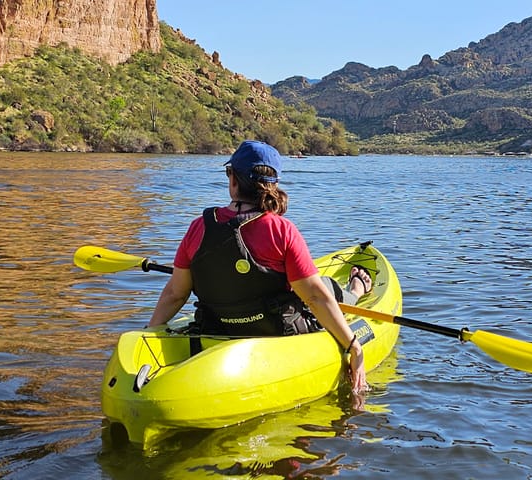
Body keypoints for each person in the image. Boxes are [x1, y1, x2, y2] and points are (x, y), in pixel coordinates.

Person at [147, 140, 370, 393]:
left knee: (320, 287)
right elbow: (316, 298)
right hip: (277, 336)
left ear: (233, 180)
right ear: (273, 185)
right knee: (327, 287)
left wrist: (149, 334)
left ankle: (354, 290)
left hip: (216, 329)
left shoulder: (197, 227)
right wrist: (354, 345)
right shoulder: (282, 230)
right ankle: (356, 289)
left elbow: (176, 293)